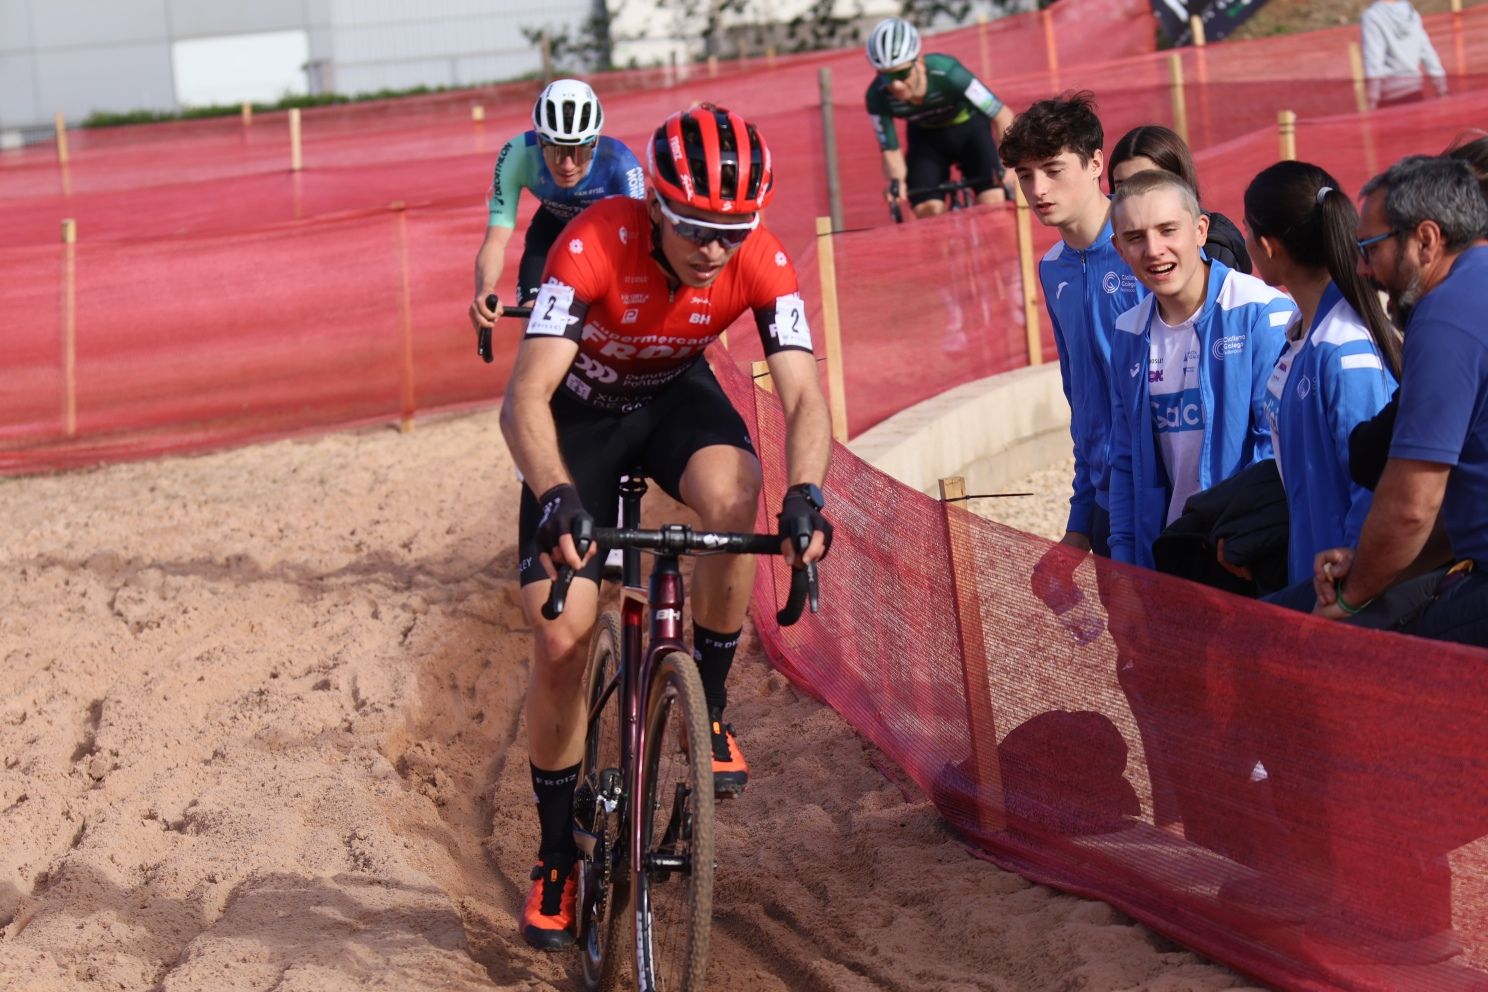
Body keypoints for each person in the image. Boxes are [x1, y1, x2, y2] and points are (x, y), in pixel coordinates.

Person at [499, 104, 834, 950]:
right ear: (654, 204)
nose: (715, 249)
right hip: (579, 420)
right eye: (693, 228)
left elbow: (801, 393)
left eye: (733, 230)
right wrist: (552, 496)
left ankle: (708, 708)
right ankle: (551, 857)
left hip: (672, 400)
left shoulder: (761, 256)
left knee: (737, 492)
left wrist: (808, 495)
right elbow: (525, 397)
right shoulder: (591, 245)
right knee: (564, 633)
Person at [1312, 155, 1488, 647]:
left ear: (1426, 240)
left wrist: (1349, 600)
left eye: (1370, 248)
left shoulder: (1446, 312)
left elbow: (1412, 504)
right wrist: (1372, 563)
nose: (1364, 270)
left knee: (1331, 656)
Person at [1106, 170, 1294, 570]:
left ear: (1200, 230)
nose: (1154, 249)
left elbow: (1276, 449)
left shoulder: (1262, 313)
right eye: (1135, 237)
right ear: (1118, 248)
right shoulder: (1127, 332)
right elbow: (1125, 463)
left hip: (1242, 553)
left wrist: (1245, 542)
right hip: (1172, 552)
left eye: (1167, 230)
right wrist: (1124, 563)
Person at [1000, 91, 1145, 565]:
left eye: (1053, 170)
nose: (1038, 189)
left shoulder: (1150, 250)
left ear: (1096, 163)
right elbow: (1081, 398)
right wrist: (1081, 517)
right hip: (1106, 495)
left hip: (1165, 492)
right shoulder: (1053, 268)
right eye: (1025, 175)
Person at [1243, 161, 1399, 591]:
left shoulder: (1345, 349)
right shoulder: (1302, 331)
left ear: (1268, 246)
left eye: (1247, 230)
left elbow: (1372, 488)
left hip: (1343, 588)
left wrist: (1350, 586)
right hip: (1312, 571)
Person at [468, 79, 644, 329]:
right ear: (539, 143)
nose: (567, 165)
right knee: (533, 322)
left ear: (595, 142)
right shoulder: (517, 154)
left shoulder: (620, 164)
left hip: (606, 242)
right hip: (550, 232)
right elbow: (495, 240)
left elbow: (640, 249)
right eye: (555, 151)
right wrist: (485, 289)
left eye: (579, 151)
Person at [864, 17, 1015, 219]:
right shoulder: (877, 95)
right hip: (926, 140)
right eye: (886, 76)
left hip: (970, 130)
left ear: (918, 61)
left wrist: (1008, 164)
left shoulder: (948, 73)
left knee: (993, 203)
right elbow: (889, 149)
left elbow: (1001, 114)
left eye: (902, 73)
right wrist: (896, 182)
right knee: (927, 211)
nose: (896, 85)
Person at [1107, 124, 1252, 274]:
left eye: (1149, 184)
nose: (1153, 251)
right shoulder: (1106, 247)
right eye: (1123, 188)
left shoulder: (1216, 251)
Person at [1360, 0, 1448, 111]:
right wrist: (1441, 88)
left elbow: (1373, 61)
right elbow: (1427, 52)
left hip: (1388, 97)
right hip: (1415, 92)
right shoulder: (1411, 13)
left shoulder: (1372, 16)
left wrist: (1372, 99)